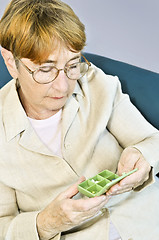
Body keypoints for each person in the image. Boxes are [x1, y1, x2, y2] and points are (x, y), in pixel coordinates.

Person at [0, 0, 159, 239]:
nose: (63, 86)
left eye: (72, 65)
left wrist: (142, 156)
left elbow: (151, 139)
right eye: (46, 70)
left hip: (146, 221)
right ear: (12, 62)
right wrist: (47, 223)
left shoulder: (96, 83)